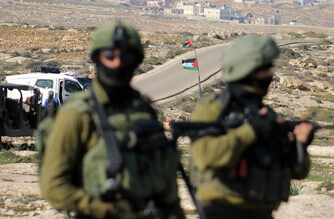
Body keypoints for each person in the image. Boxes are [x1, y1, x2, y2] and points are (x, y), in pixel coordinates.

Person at [40, 21, 185, 219]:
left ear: (136, 61)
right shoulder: (77, 114)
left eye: (125, 56)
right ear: (97, 59)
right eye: (109, 56)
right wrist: (105, 210)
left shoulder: (144, 112)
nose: (117, 63)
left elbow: (166, 183)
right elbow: (54, 186)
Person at [189, 36, 315, 219]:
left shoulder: (265, 113)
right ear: (247, 71)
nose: (270, 76)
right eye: (265, 70)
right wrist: (252, 131)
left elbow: (297, 171)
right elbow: (205, 156)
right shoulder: (212, 111)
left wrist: (300, 145)